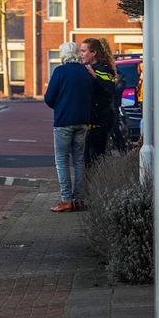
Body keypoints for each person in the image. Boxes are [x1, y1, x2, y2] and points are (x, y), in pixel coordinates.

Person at [43, 41, 93, 212]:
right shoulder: (85, 73)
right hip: (83, 122)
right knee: (79, 161)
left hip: (64, 121)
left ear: (63, 55)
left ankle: (66, 200)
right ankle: (79, 199)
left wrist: (60, 105)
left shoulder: (60, 72)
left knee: (62, 161)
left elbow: (49, 97)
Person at [81, 37, 120, 166]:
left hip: (100, 121)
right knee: (87, 160)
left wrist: (95, 77)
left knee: (94, 159)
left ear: (93, 53)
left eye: (84, 51)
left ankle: (96, 184)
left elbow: (110, 89)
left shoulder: (102, 69)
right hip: (91, 120)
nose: (81, 54)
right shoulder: (89, 68)